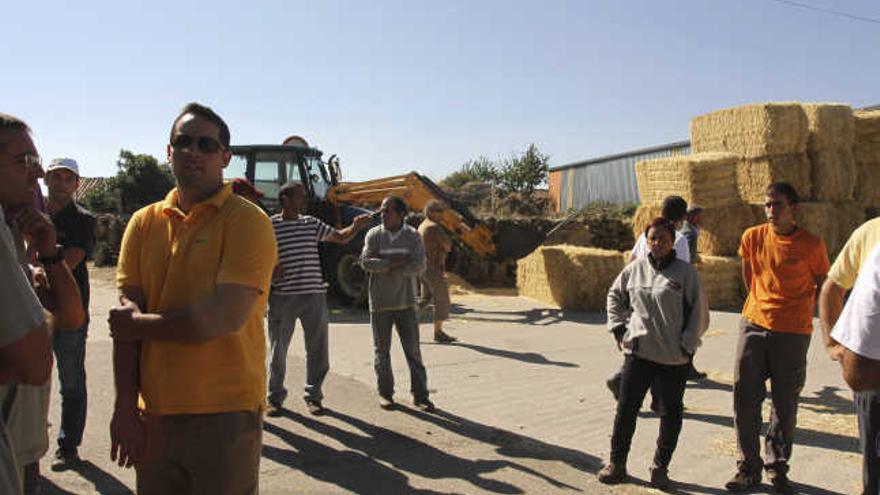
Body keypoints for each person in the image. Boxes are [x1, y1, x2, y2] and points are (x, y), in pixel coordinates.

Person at [108, 103, 277, 495]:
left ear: (225, 157)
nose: (193, 151)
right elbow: (124, 324)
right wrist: (123, 409)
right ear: (168, 152)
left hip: (224, 413)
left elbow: (221, 318)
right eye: (183, 142)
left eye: (206, 143)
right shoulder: (144, 221)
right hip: (156, 413)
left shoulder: (246, 221)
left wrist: (138, 325)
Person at [726, 182, 829, 494]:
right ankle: (748, 468)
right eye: (768, 205)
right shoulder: (753, 236)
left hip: (793, 331)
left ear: (793, 208)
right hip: (754, 324)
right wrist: (756, 306)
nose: (771, 210)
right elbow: (748, 275)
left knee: (784, 403)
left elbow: (823, 283)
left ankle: (777, 467)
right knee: (745, 397)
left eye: (778, 205)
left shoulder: (812, 244)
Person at [0, 114, 84, 495]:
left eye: (37, 162)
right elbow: (34, 362)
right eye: (23, 162)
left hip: (22, 440)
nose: (35, 174)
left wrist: (48, 253)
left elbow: (71, 316)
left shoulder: (16, 234)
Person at [599, 217, 704, 490]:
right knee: (626, 409)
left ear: (673, 243)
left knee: (670, 414)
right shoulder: (634, 269)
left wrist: (687, 344)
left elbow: (700, 313)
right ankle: (617, 463)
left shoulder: (686, 274)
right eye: (653, 238)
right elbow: (614, 296)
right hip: (639, 354)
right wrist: (619, 328)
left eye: (664, 239)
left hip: (673, 358)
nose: (658, 243)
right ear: (647, 240)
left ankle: (660, 468)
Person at [266, 181, 372, 416]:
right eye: (300, 196)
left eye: (305, 196)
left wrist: (355, 226)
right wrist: (269, 269)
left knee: (317, 349)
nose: (305, 200)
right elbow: (258, 254)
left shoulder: (311, 223)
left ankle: (313, 396)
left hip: (313, 295)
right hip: (283, 297)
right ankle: (274, 397)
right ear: (285, 199)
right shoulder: (269, 226)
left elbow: (340, 238)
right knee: (278, 351)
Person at [608, 196, 692, 402]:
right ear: (681, 218)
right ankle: (630, 384)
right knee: (661, 350)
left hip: (641, 298)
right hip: (664, 301)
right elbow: (681, 272)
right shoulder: (678, 239)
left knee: (644, 347)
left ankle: (636, 388)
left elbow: (631, 262)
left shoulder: (647, 235)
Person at [819, 215, 880, 495]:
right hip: (872, 375)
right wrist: (832, 343)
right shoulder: (871, 232)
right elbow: (832, 288)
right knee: (874, 462)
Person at [44, 158, 95, 469]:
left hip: (69, 310)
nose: (61, 182)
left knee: (71, 381)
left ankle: (69, 445)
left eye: (68, 178)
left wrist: (39, 269)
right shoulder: (29, 214)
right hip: (32, 308)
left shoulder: (82, 219)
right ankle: (26, 445)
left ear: (77, 183)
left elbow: (72, 258)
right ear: (46, 179)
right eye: (56, 176)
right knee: (27, 380)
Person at [360, 195, 433, 411]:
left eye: (387, 211)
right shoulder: (373, 235)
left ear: (401, 214)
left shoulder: (412, 236)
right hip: (380, 304)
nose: (382, 214)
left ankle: (420, 396)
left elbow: (419, 266)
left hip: (407, 303)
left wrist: (382, 264)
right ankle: (386, 394)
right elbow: (365, 262)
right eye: (381, 210)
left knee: (413, 352)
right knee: (381, 352)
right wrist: (395, 262)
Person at [418, 200, 457, 343]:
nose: (441, 215)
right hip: (433, 268)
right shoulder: (434, 227)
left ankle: (404, 324)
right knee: (442, 300)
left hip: (423, 267)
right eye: (438, 211)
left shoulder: (422, 226)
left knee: (425, 299)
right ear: (430, 212)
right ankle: (438, 332)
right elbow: (448, 246)